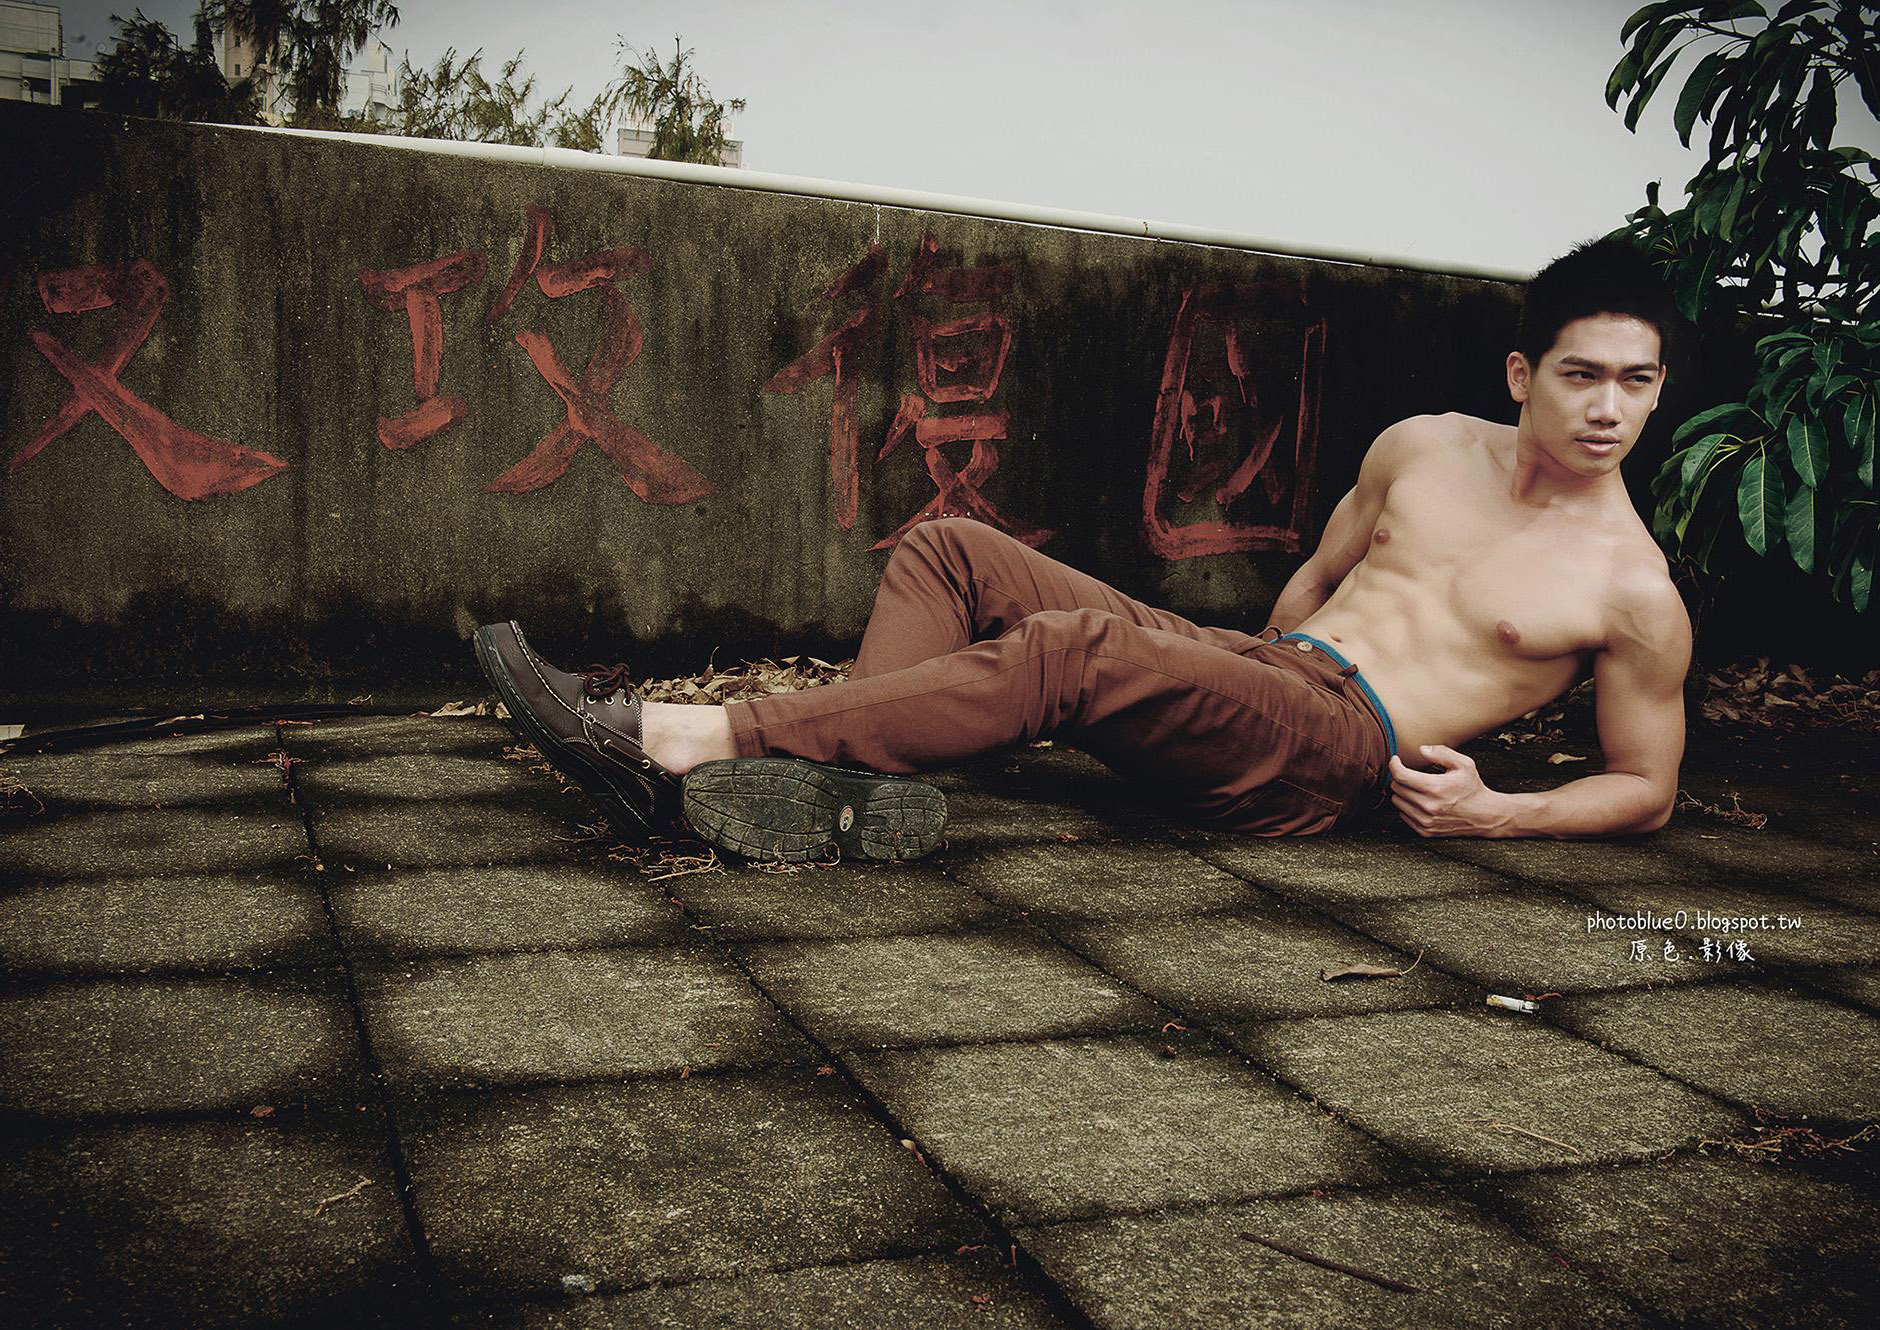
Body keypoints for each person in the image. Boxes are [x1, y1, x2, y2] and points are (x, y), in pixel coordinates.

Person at [476, 238, 1691, 861]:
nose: (1605, 408)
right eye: (1580, 374)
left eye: (1634, 383)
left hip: (1337, 752)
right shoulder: (1422, 446)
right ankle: (848, 793)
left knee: (1069, 649)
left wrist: (1495, 813)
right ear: (1522, 373)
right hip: (1272, 673)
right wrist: (1230, 674)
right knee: (952, 548)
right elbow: (1321, 577)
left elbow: (1646, 789)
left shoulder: (1631, 588)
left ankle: (685, 743)